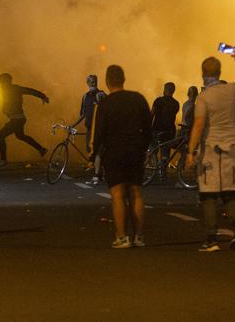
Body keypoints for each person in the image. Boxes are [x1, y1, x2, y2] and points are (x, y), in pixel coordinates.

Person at [186, 49, 235, 252]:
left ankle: (211, 239)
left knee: (209, 194)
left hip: (212, 150)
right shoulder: (231, 91)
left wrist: (190, 151)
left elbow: (199, 124)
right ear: (219, 73)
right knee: (230, 193)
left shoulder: (204, 97)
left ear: (203, 74)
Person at [91, 65, 151, 249]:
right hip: (135, 150)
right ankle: (139, 237)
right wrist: (145, 148)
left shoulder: (105, 104)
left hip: (114, 152)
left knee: (117, 194)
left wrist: (94, 155)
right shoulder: (138, 99)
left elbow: (98, 133)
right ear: (123, 79)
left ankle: (122, 237)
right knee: (136, 193)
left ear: (108, 82)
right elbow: (148, 126)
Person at [0, 73, 49, 165]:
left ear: (6, 81)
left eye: (1, 81)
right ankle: (41, 149)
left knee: (0, 136)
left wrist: (43, 96)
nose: (0, 83)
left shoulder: (16, 89)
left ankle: (3, 160)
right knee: (20, 136)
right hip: (17, 119)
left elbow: (30, 91)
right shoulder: (4, 89)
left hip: (17, 119)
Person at [71, 75, 106, 184]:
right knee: (91, 151)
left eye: (94, 81)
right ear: (87, 83)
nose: (93, 83)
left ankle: (97, 176)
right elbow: (83, 114)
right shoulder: (85, 97)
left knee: (98, 152)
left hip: (101, 129)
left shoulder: (101, 95)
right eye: (90, 81)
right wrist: (73, 125)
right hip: (90, 129)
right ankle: (100, 174)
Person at [151, 82, 180, 168]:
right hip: (169, 131)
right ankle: (163, 172)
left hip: (157, 129)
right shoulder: (176, 104)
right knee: (165, 152)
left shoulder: (158, 101)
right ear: (173, 91)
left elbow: (152, 114)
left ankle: (154, 168)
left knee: (153, 150)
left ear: (165, 90)